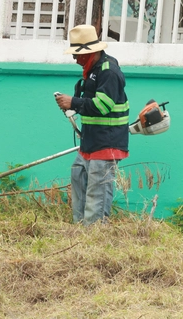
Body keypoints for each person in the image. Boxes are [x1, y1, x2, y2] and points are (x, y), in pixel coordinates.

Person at [55, 24, 130, 225]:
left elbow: (102, 106)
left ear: (91, 53)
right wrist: (73, 105)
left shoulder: (109, 71)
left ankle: (94, 232)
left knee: (98, 190)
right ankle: (80, 227)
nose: (75, 60)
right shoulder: (94, 70)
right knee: (78, 174)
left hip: (106, 141)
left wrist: (73, 102)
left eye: (78, 55)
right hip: (91, 140)